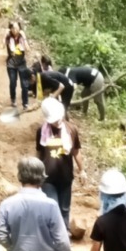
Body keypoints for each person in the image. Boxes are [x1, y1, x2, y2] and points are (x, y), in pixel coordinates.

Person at [35, 99, 86, 233]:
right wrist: (35, 174)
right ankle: (54, 237)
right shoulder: (42, 131)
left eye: (58, 118)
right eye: (53, 120)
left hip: (65, 177)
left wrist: (82, 171)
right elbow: (39, 153)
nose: (57, 122)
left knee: (64, 209)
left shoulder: (71, 130)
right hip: (47, 178)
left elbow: (76, 152)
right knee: (53, 207)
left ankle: (65, 236)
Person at [4, 22, 30, 109]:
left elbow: (28, 49)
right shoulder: (8, 37)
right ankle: (13, 99)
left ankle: (25, 103)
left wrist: (24, 38)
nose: (15, 30)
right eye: (13, 28)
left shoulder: (22, 38)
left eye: (17, 28)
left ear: (20, 29)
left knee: (24, 84)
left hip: (22, 63)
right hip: (11, 64)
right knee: (12, 82)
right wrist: (4, 35)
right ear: (10, 29)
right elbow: (2, 45)